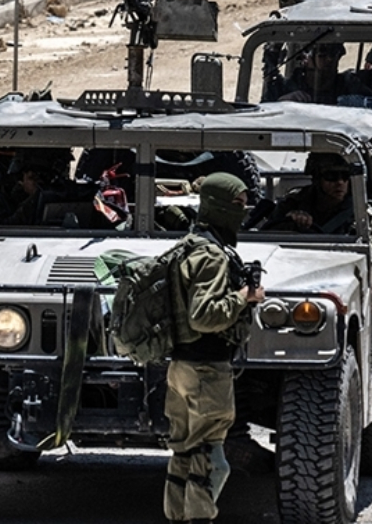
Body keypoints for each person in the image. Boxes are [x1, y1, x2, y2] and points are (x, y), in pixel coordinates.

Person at [164, 172, 264, 524]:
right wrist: (244, 296)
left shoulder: (188, 245)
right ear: (218, 205)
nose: (244, 211)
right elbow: (204, 316)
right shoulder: (211, 255)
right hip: (207, 369)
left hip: (181, 368)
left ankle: (178, 517)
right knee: (211, 462)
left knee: (183, 453)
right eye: (237, 204)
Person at [263, 154, 372, 309]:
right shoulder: (292, 204)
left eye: (345, 176)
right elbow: (265, 244)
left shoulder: (361, 214)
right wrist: (290, 222)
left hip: (341, 280)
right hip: (291, 274)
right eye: (331, 176)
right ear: (317, 179)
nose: (340, 182)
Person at [276, 42, 354, 104]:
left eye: (334, 53)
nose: (329, 59)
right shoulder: (283, 88)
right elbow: (269, 110)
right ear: (305, 58)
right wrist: (283, 104)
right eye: (322, 55)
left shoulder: (350, 86)